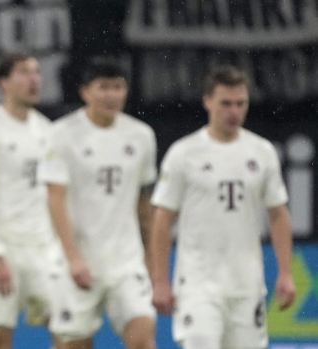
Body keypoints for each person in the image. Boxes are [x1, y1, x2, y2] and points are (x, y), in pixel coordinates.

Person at [149, 65, 296, 349]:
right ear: (207, 101)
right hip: (197, 284)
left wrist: (286, 273)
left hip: (246, 285)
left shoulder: (262, 152)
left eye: (241, 104)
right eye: (226, 103)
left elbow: (278, 214)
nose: (234, 112)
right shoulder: (184, 153)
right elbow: (162, 219)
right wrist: (160, 280)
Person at [40, 59, 157, 349]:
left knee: (143, 338)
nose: (111, 95)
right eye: (103, 87)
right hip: (77, 262)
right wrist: (73, 257)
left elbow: (145, 206)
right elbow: (55, 198)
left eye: (118, 87)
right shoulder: (62, 134)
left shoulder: (141, 136)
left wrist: (154, 265)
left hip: (126, 262)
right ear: (85, 92)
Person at [0, 53, 61, 349]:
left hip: (43, 248)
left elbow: (56, 194)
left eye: (37, 72)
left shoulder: (48, 131)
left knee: (68, 331)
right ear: (3, 83)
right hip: (1, 249)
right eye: (23, 72)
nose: (34, 79)